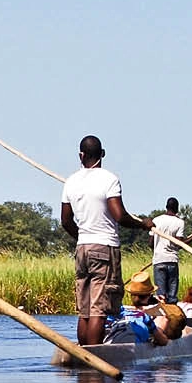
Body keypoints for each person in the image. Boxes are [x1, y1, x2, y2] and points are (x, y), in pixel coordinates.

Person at [61, 135, 154, 345]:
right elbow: (119, 215)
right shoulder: (109, 179)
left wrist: (83, 236)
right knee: (99, 309)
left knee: (85, 310)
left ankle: (83, 355)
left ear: (80, 155)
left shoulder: (71, 181)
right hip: (104, 247)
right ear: (102, 155)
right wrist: (143, 224)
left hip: (82, 248)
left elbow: (66, 221)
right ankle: (95, 356)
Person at [150, 197, 186, 304]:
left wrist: (157, 250)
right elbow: (179, 244)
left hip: (159, 260)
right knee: (172, 297)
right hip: (172, 260)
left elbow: (150, 243)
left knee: (160, 296)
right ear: (177, 209)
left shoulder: (156, 220)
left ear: (166, 207)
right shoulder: (179, 222)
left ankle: (162, 318)